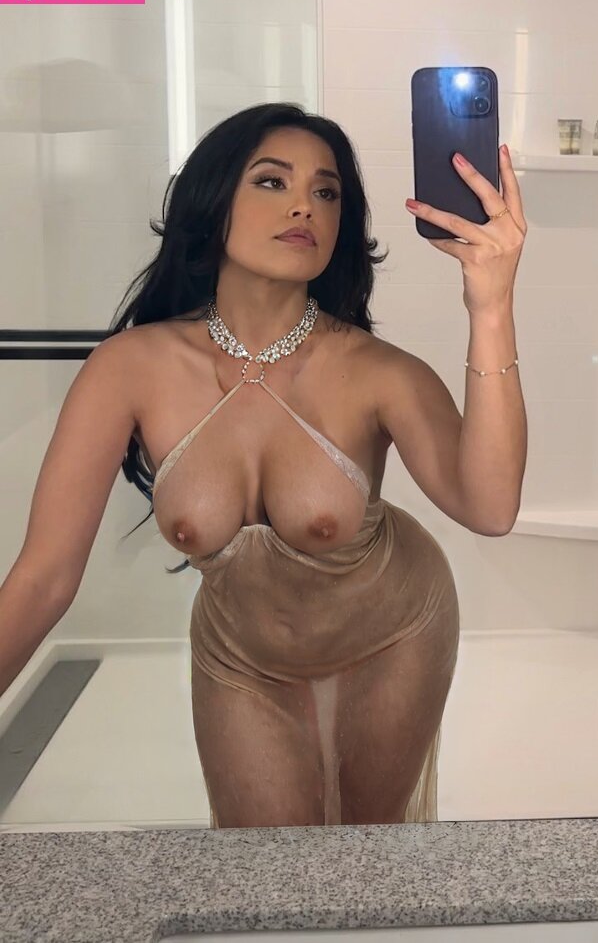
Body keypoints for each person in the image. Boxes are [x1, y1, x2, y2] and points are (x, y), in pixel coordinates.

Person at [0, 103, 527, 828]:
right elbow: (43, 579)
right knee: (263, 871)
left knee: (363, 860)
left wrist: (492, 305)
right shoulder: (129, 368)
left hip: (394, 631)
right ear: (213, 200)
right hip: (240, 655)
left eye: (326, 191)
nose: (304, 205)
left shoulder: (379, 372)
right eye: (272, 181)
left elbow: (491, 508)